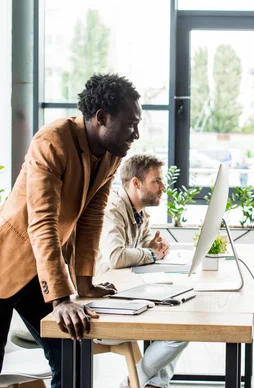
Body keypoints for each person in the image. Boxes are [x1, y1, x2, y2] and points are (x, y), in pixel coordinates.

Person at [0, 73, 141, 388]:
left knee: (71, 361)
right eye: (130, 124)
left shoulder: (112, 154)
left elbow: (91, 216)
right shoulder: (52, 140)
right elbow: (42, 220)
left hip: (40, 269)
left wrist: (84, 284)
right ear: (102, 118)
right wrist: (61, 300)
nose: (136, 133)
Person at [97, 153, 188, 388]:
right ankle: (135, 381)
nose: (163, 187)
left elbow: (146, 245)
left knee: (181, 311)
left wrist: (154, 247)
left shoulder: (139, 211)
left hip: (128, 290)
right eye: (156, 181)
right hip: (105, 299)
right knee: (182, 326)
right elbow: (116, 256)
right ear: (135, 184)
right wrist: (151, 253)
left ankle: (148, 384)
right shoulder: (113, 209)